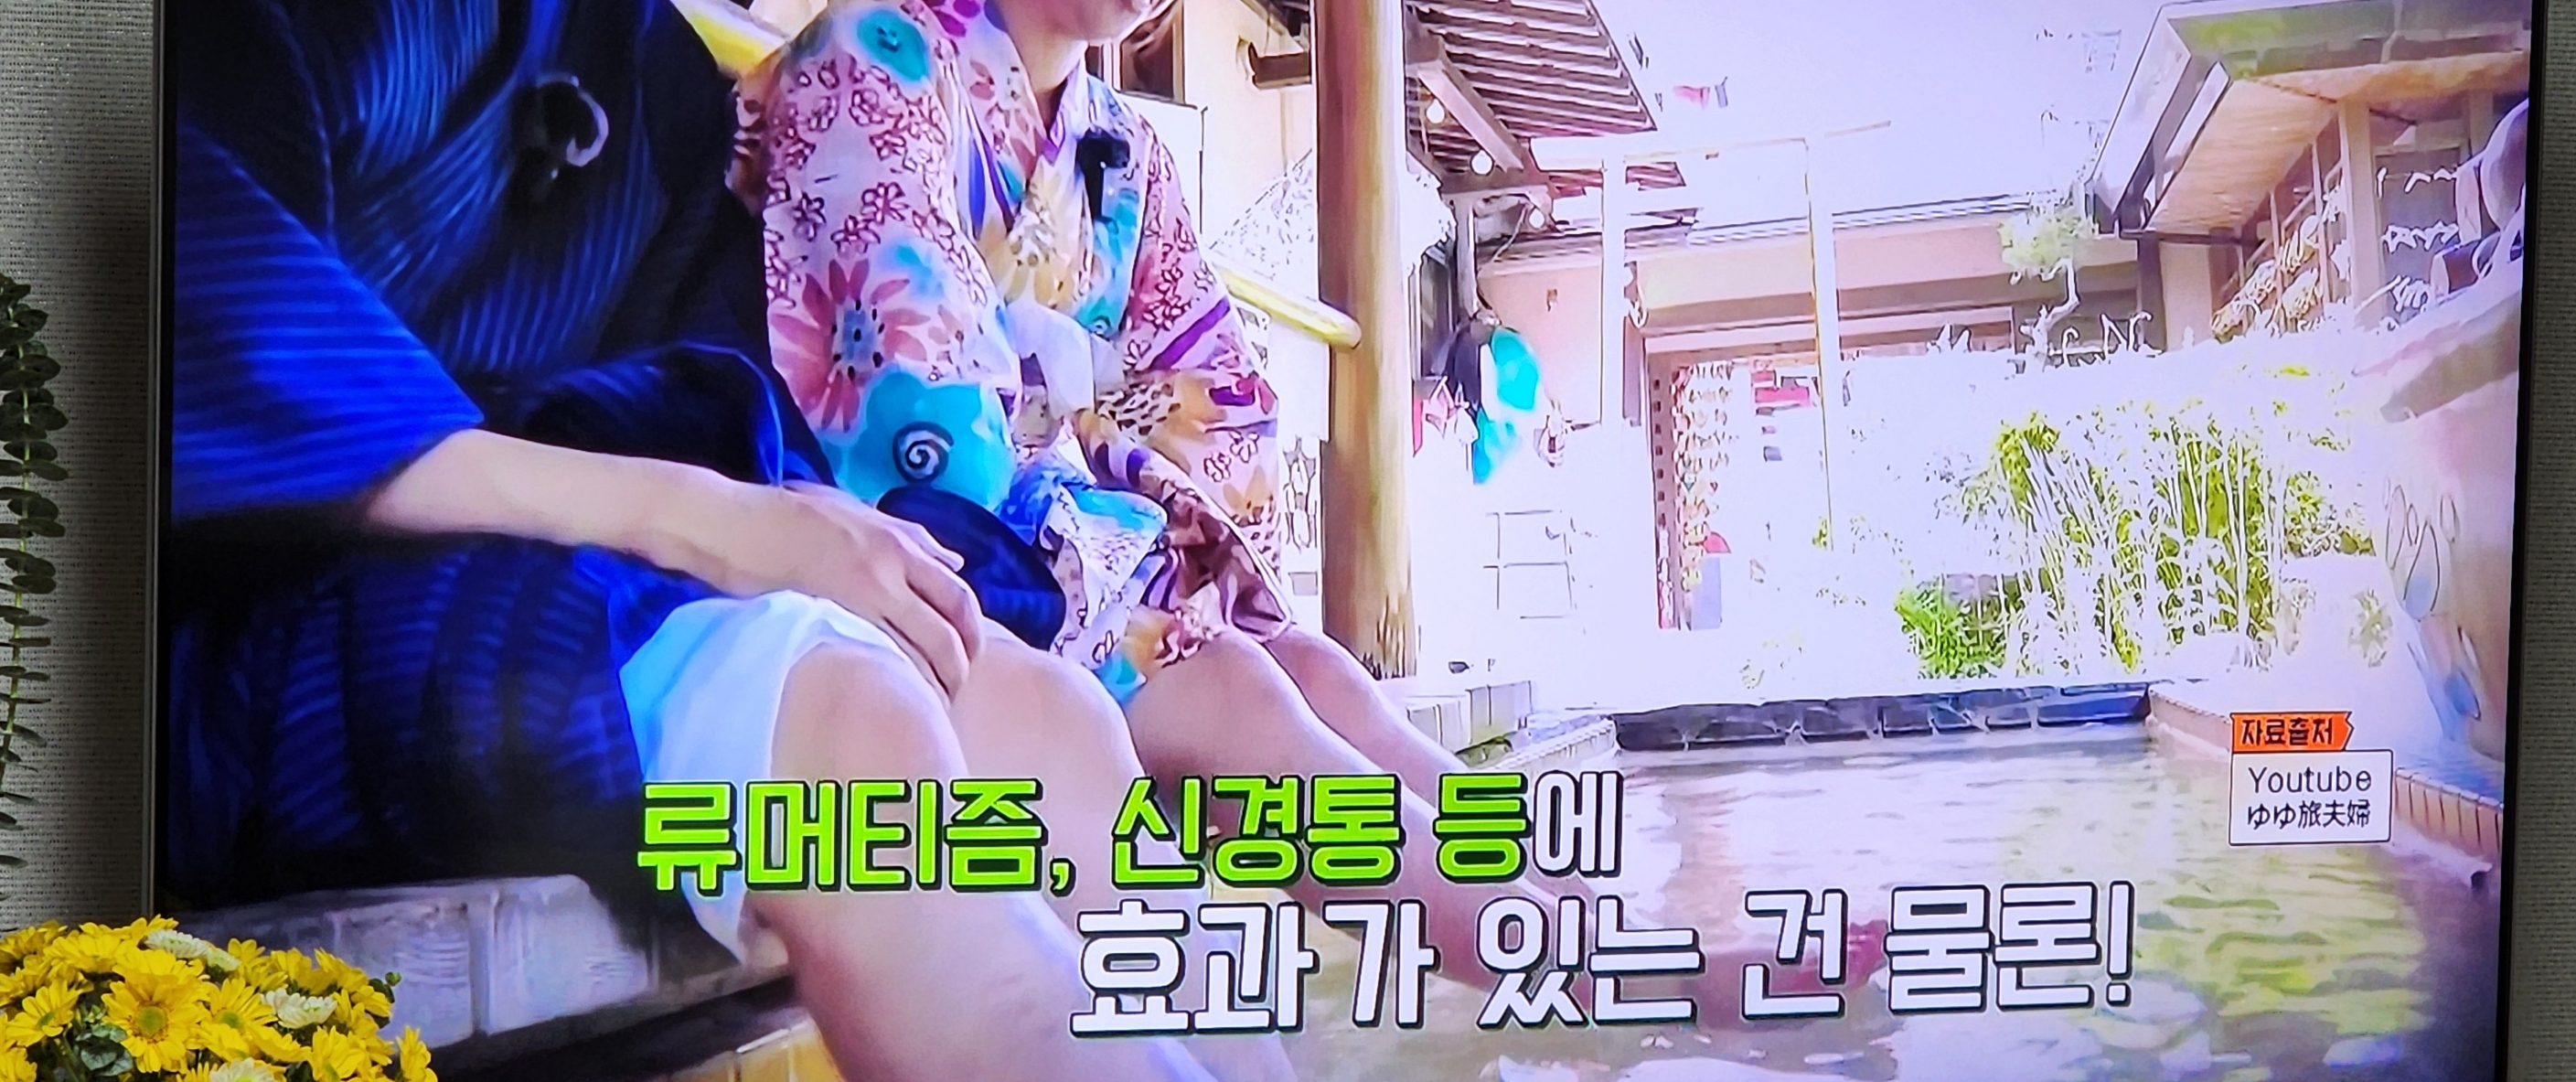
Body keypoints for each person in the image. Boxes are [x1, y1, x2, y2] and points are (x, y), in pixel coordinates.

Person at [165, 1, 1227, 1078]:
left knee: (1040, 713)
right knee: (851, 738)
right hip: (268, 612)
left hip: (584, 544)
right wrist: (699, 516)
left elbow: (691, 399)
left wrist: (794, 526)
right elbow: (192, 327)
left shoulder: (650, 61)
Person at [714, 0, 1600, 1019]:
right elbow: (915, 419)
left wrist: (1100, 445)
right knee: (1248, 702)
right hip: (898, 542)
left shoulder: (1120, 145)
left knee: (1317, 675)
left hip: (1081, 539)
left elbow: (1217, 408)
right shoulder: (874, 59)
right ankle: (1588, 963)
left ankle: (1574, 919)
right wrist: (1083, 424)